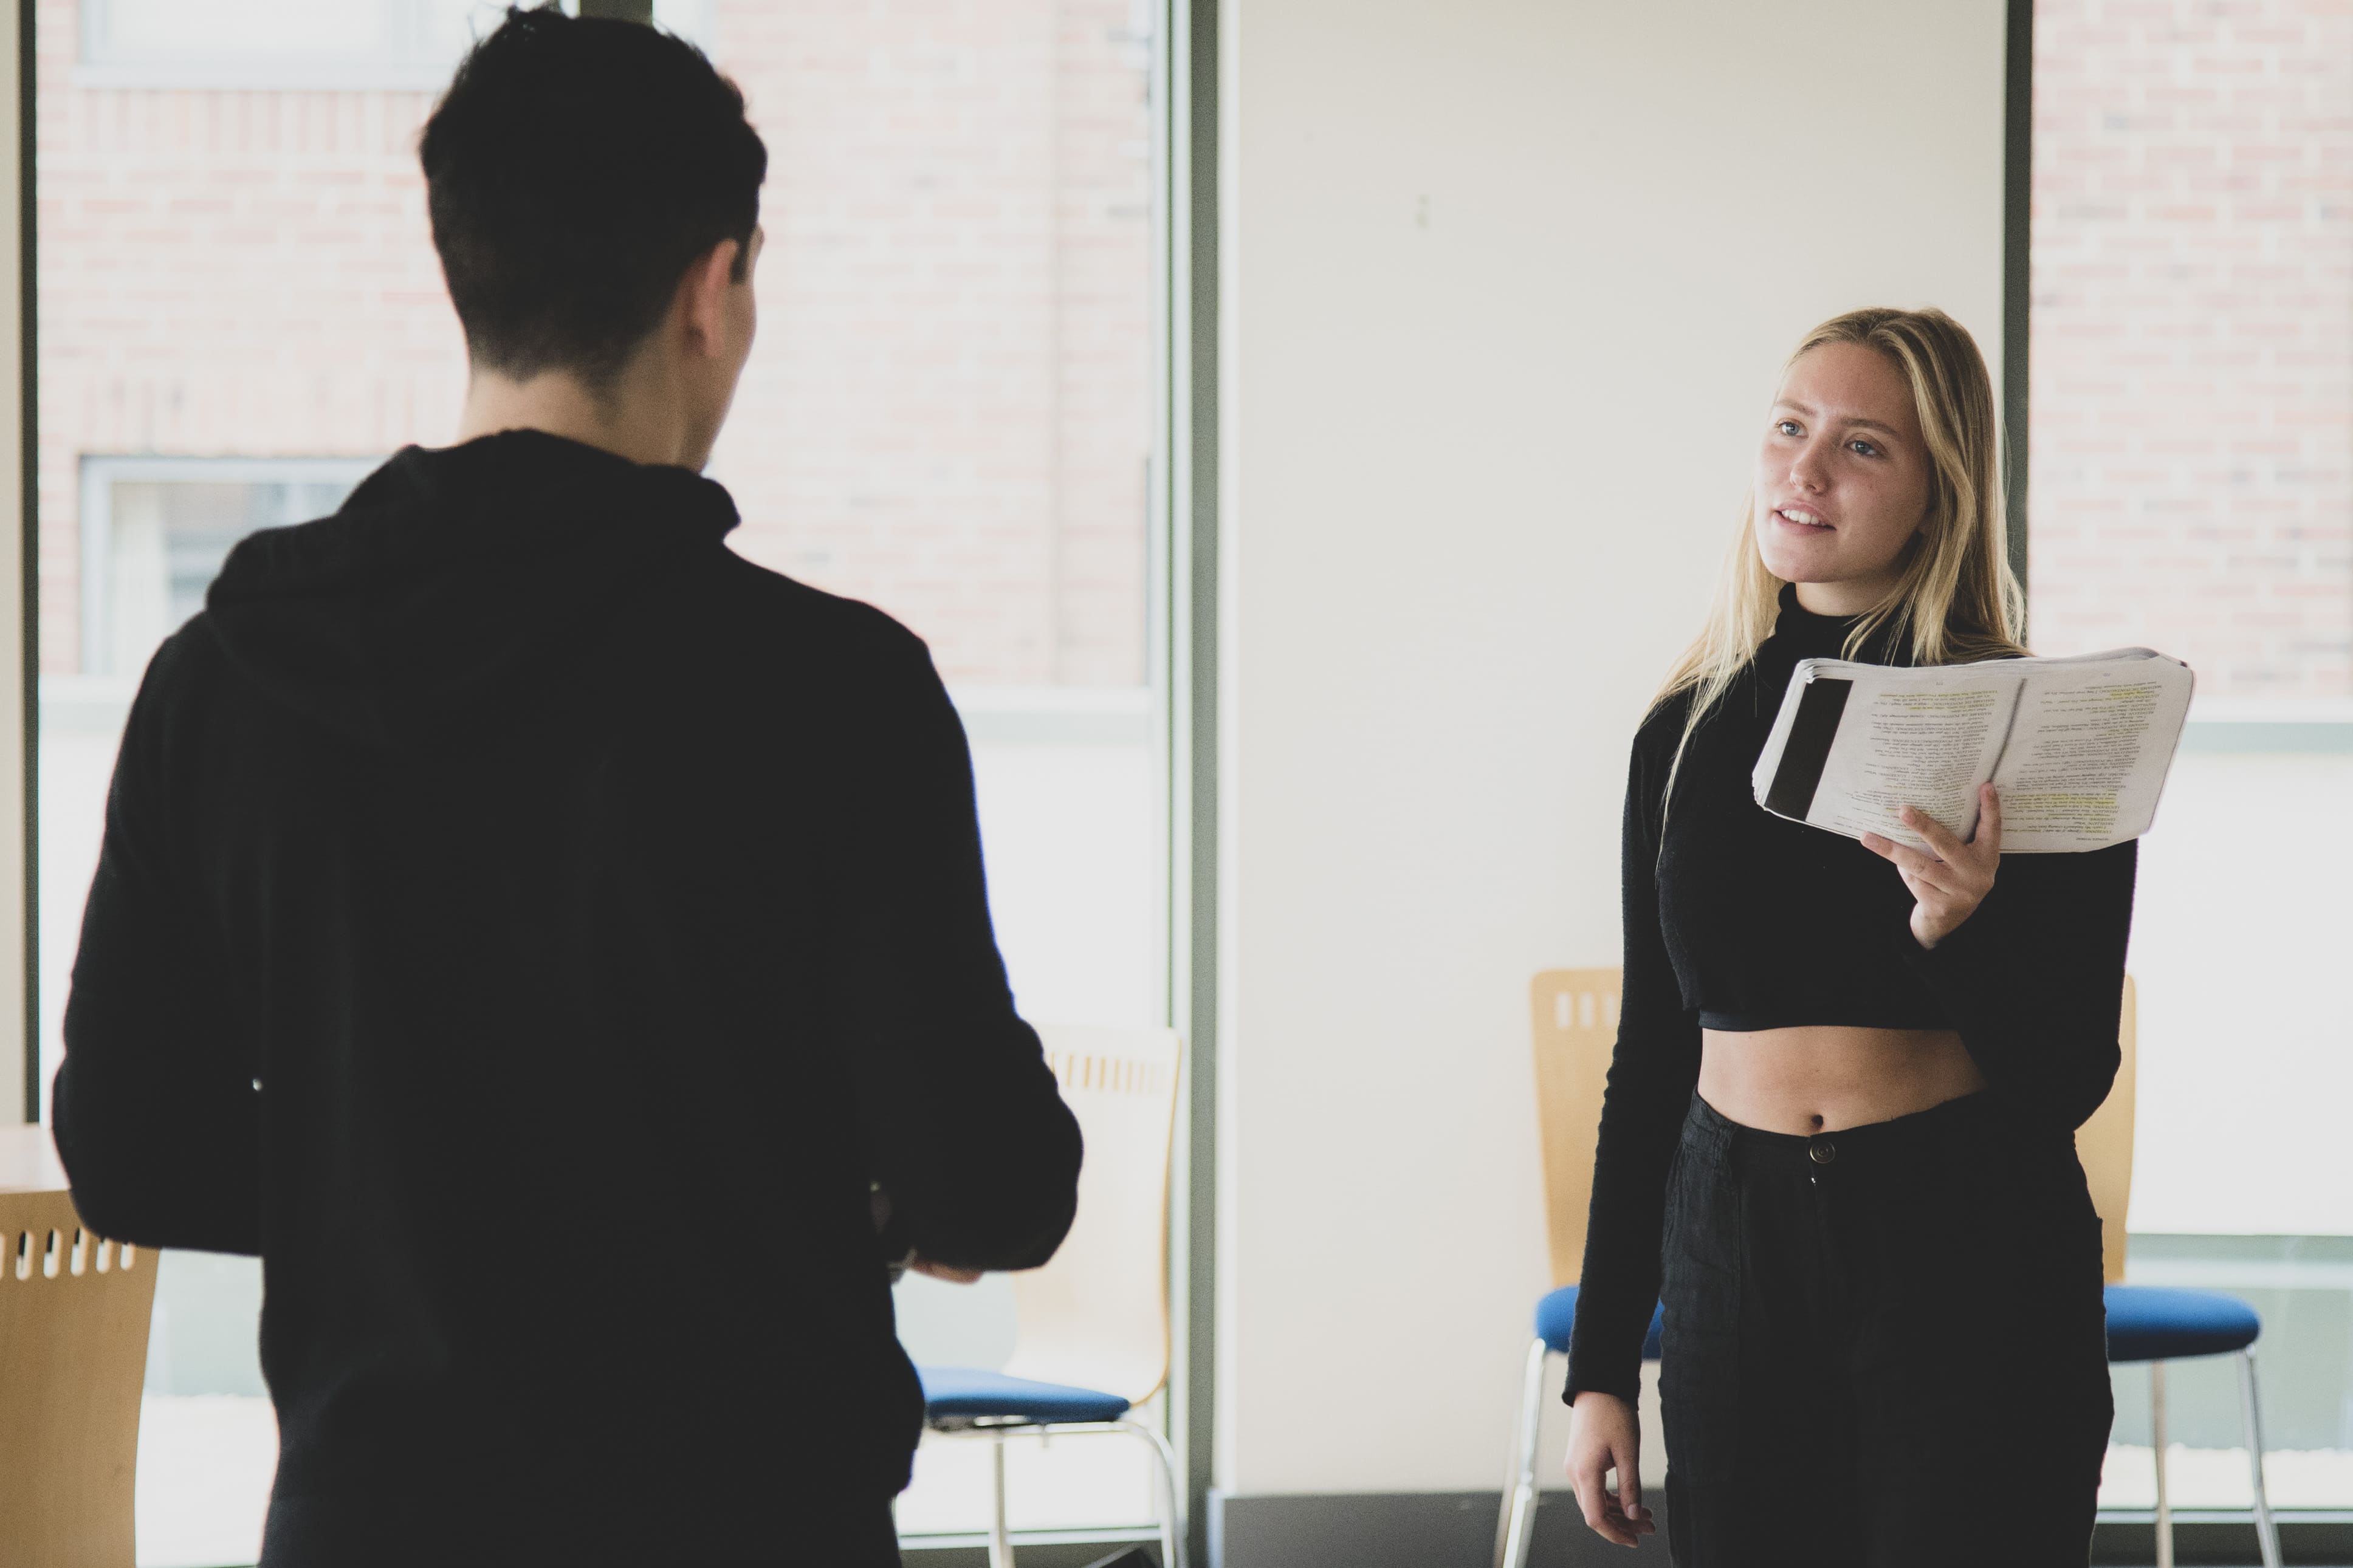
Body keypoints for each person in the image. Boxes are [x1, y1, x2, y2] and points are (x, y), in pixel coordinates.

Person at [50, 10, 1081, 1564]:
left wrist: (401, 1186)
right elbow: (992, 1183)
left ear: (465, 270)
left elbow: (127, 1146)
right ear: (714, 288)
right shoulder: (838, 691)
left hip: (373, 1525)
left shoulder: (226, 681)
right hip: (751, 1519)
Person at [1562, 307, 2128, 1566]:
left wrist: (1962, 926)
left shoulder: (2035, 726)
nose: (1803, 471)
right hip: (1732, 1233)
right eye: (1787, 428)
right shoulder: (1686, 730)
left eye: (1862, 446)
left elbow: (2066, 1078)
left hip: (1966, 1230)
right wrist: (1599, 1365)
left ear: (1938, 494)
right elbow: (1649, 1055)